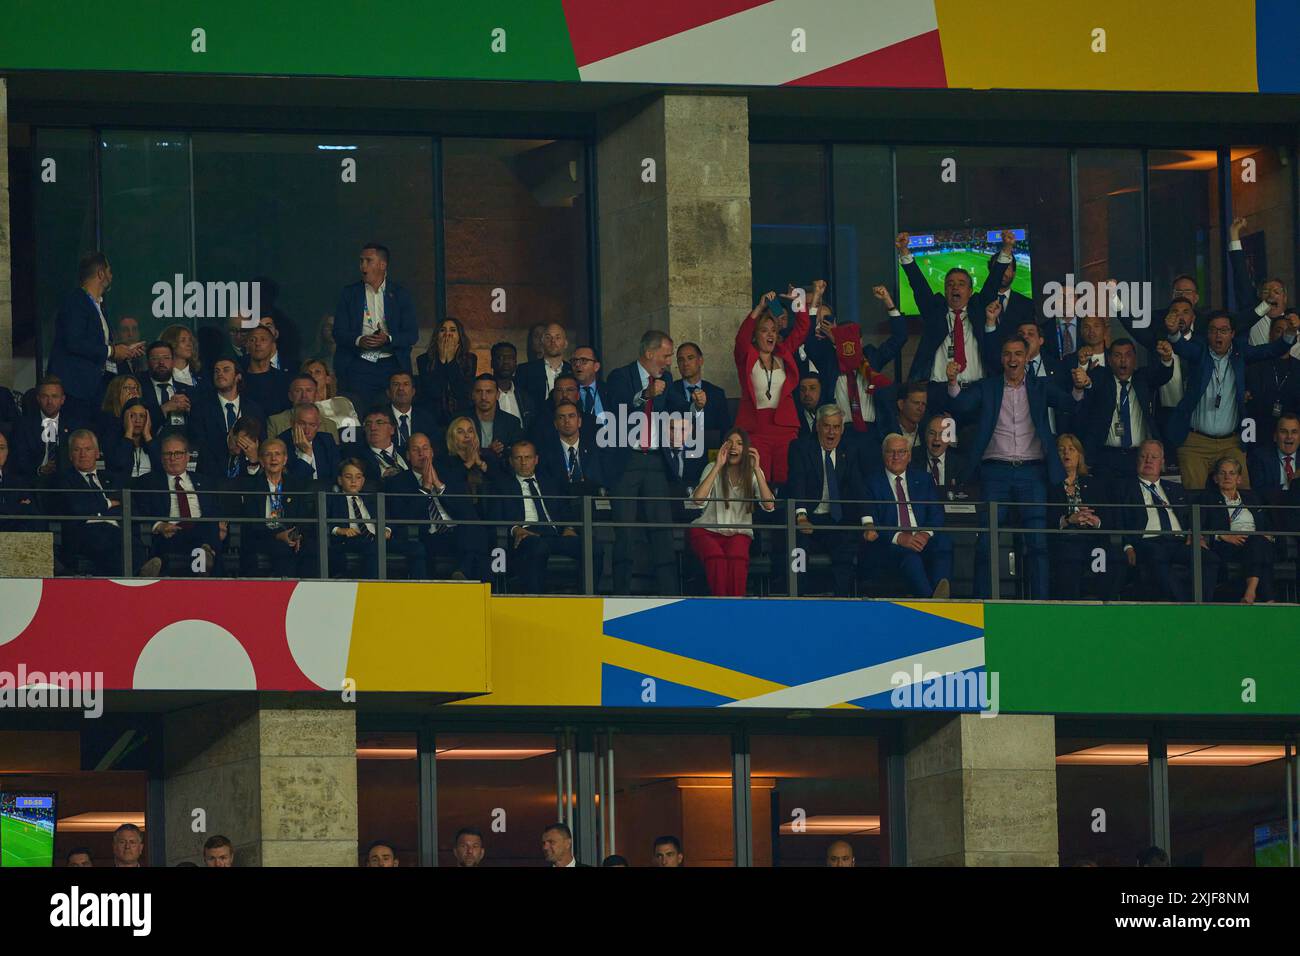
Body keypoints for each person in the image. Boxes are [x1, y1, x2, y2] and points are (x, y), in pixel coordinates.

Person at [944, 335, 1088, 599]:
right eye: (1008, 354)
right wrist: (952, 382)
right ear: (1002, 359)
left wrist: (1079, 388)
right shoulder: (987, 387)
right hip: (995, 472)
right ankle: (984, 601)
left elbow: (1069, 404)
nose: (1012, 359)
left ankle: (1040, 603)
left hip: (1032, 472)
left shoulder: (1040, 386)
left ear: (1026, 358)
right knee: (987, 541)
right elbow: (960, 406)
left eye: (1018, 354)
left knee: (1037, 543)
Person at [1166, 309, 1295, 491]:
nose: (1218, 335)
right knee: (1195, 500)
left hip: (1230, 442)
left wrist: (1290, 333)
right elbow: (1182, 347)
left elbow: (1272, 350)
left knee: (1244, 493)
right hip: (1195, 442)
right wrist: (1173, 332)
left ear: (1233, 334)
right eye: (1213, 330)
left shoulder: (1240, 353)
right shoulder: (1200, 352)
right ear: (1207, 334)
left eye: (1224, 330)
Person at [896, 230, 1012, 416]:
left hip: (976, 391)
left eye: (961, 284)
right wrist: (904, 251)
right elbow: (919, 286)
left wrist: (1006, 249)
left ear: (970, 291)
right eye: (950, 284)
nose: (955, 287)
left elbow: (993, 282)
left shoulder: (978, 310)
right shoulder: (935, 313)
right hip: (938, 392)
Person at [605, 330, 679, 595]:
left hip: (657, 460)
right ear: (650, 354)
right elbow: (615, 408)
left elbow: (677, 407)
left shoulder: (667, 379)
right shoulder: (619, 376)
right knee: (624, 531)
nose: (670, 361)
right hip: (627, 462)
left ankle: (669, 593)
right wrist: (645, 395)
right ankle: (621, 593)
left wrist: (697, 406)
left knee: (662, 529)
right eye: (666, 355)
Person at [802, 284, 906, 449]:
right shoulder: (829, 360)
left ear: (861, 341)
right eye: (845, 339)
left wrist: (888, 301)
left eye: (855, 340)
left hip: (873, 433)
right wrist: (815, 300)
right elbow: (809, 343)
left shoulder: (871, 358)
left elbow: (900, 337)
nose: (851, 344)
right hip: (841, 434)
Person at [786, 405, 871, 597]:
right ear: (817, 427)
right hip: (807, 517)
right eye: (826, 426)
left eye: (836, 427)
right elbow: (796, 483)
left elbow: (859, 487)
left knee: (846, 548)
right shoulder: (800, 447)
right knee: (798, 551)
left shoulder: (849, 450)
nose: (831, 432)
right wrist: (800, 516)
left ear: (842, 429)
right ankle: (797, 598)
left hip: (835, 519)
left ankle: (841, 601)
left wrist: (868, 522)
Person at [48, 252, 143, 422]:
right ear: (101, 274)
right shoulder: (76, 302)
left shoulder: (98, 306)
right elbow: (74, 342)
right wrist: (112, 351)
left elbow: (97, 346)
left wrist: (123, 351)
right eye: (110, 271)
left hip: (94, 389)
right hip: (76, 390)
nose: (111, 276)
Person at [489, 439, 593, 594]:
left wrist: (569, 528)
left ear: (536, 460)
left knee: (593, 548)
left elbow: (565, 508)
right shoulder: (502, 486)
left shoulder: (550, 482)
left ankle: (586, 597)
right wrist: (515, 529)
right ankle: (537, 600)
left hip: (555, 535)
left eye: (528, 457)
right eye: (518, 458)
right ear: (511, 461)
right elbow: (495, 515)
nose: (524, 462)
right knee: (538, 547)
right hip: (526, 536)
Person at [735, 286, 814, 485]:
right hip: (756, 427)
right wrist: (760, 308)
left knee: (785, 478)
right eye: (764, 330)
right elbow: (741, 339)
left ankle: (785, 516)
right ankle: (762, 516)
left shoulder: (783, 353)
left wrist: (797, 302)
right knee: (758, 479)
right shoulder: (747, 356)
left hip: (784, 427)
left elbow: (802, 329)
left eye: (773, 330)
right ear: (756, 336)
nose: (770, 334)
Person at [1118, 439, 1213, 603]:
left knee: (1209, 558)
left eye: (1154, 457)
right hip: (1148, 542)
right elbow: (1119, 518)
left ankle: (1204, 603)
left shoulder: (1175, 488)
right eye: (1144, 456)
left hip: (1178, 541)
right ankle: (1184, 606)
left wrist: (1195, 533)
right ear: (1137, 460)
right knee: (1157, 555)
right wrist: (1127, 546)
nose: (1148, 460)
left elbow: (1190, 515)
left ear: (1162, 463)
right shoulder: (1125, 488)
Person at [385, 432, 487, 582]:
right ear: (407, 455)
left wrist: (440, 486)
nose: (421, 453)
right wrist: (425, 489)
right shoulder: (398, 482)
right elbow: (403, 516)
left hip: (455, 533)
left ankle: (462, 574)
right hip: (425, 535)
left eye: (425, 448)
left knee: (477, 530)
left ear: (432, 452)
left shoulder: (449, 475)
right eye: (415, 449)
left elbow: (466, 511)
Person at [686, 428, 775, 596]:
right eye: (730, 443)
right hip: (706, 530)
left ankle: (735, 606)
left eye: (740, 443)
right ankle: (721, 606)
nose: (734, 447)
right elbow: (698, 500)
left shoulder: (753, 472)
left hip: (738, 531)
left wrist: (757, 469)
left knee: (736, 558)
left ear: (746, 449)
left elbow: (769, 505)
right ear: (723, 447)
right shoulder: (712, 467)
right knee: (717, 559)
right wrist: (718, 465)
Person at [862, 433, 952, 598]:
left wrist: (925, 534)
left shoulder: (924, 479)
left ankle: (940, 593)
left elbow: (937, 514)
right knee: (911, 558)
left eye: (902, 452)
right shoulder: (871, 483)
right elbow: (871, 523)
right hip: (891, 545)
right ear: (883, 455)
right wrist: (900, 538)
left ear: (909, 456)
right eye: (891, 452)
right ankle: (934, 604)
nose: (896, 457)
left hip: (921, 538)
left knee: (943, 543)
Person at [1078, 337, 1171, 487]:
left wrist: (1166, 359)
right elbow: (1086, 383)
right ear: (1109, 359)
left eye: (1128, 355)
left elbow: (1163, 374)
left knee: (1136, 502)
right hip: (1106, 456)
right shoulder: (1101, 377)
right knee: (1108, 503)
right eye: (1117, 355)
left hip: (1138, 455)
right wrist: (1082, 365)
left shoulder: (1143, 378)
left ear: (1135, 359)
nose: (1123, 360)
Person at [334, 243, 418, 404]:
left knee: (388, 413)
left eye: (368, 261)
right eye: (361, 261)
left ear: (382, 265)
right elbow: (338, 332)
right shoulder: (349, 294)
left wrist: (388, 339)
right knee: (356, 411)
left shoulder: (400, 294)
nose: (362, 266)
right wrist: (360, 340)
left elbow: (412, 334)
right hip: (359, 363)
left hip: (391, 364)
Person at [58, 430, 134, 576]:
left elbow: (128, 505)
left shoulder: (112, 479)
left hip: (117, 531)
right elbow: (77, 507)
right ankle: (136, 575)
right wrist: (108, 503)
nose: (83, 454)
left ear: (97, 453)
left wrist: (100, 506)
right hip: (84, 532)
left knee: (135, 543)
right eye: (77, 450)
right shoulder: (64, 480)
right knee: (111, 538)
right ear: (70, 456)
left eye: (88, 449)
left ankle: (135, 575)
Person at [1047, 434, 1112, 601]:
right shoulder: (1050, 485)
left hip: (1092, 539)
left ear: (1079, 455)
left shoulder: (1094, 483)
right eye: (1061, 450)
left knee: (1107, 557)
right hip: (1064, 540)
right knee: (1070, 557)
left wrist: (1095, 521)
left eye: (1071, 449)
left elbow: (1108, 518)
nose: (1066, 453)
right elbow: (1047, 518)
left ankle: (1101, 606)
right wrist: (1069, 519)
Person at [238, 438, 315, 577]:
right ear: (261, 461)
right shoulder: (252, 487)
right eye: (268, 454)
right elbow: (251, 525)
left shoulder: (295, 486)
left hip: (290, 536)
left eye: (278, 454)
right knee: (282, 548)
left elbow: (303, 517)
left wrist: (297, 535)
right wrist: (278, 535)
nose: (273, 458)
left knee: (310, 549)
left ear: (285, 459)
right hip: (261, 538)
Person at [1200, 456, 1273, 603]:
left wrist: (1269, 535)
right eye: (1222, 473)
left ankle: (1250, 592)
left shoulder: (1252, 498)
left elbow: (1266, 523)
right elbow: (1199, 526)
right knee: (1260, 548)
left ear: (1239, 479)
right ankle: (1267, 599)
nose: (1227, 477)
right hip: (1229, 545)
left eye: (1232, 473)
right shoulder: (1207, 499)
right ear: (1215, 478)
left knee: (1259, 543)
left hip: (1256, 542)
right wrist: (1222, 536)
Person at [192, 358, 265, 477]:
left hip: (247, 476)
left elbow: (261, 442)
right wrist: (228, 444)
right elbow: (198, 442)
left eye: (226, 370)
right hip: (212, 477)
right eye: (216, 371)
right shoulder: (201, 408)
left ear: (238, 377)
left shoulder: (254, 409)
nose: (220, 374)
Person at [1228, 217, 1290, 345]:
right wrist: (1234, 235)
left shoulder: (1294, 321)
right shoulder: (1252, 316)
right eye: (1266, 291)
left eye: (1277, 292)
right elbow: (1241, 275)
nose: (1271, 295)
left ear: (1285, 298)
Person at [326, 459, 391, 580]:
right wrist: (339, 530)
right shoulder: (332, 500)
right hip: (350, 540)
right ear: (340, 480)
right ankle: (372, 587)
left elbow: (389, 518)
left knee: (416, 548)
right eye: (348, 477)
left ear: (363, 481)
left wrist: (387, 529)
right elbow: (319, 523)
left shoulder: (373, 498)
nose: (354, 481)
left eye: (358, 477)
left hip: (379, 538)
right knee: (372, 546)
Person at [11, 376, 79, 484]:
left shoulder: (74, 425)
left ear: (62, 400)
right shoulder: (23, 426)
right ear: (38, 399)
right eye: (45, 396)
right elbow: (19, 460)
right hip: (34, 481)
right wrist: (40, 470)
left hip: (68, 483)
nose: (50, 402)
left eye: (54, 396)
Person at [537, 400, 607, 498]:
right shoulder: (546, 453)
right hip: (561, 503)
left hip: (592, 501)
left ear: (579, 422)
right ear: (555, 424)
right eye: (561, 417)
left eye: (571, 416)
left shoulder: (596, 449)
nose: (567, 421)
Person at [666, 342, 732, 442]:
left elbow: (725, 431)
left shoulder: (717, 394)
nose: (685, 363)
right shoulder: (669, 390)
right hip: (678, 451)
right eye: (681, 360)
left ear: (700, 361)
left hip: (708, 451)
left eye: (690, 358)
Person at [417, 317, 477, 423]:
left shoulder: (470, 360)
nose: (447, 334)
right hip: (432, 418)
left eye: (453, 330)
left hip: (461, 416)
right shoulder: (423, 360)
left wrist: (450, 361)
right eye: (442, 330)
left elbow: (461, 392)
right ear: (437, 336)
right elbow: (434, 392)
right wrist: (441, 359)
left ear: (460, 336)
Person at [1244, 313, 1300, 428]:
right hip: (1260, 428)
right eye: (1279, 331)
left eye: (1288, 331)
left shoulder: (1298, 367)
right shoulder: (1256, 365)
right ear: (1270, 334)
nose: (1284, 335)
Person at [139, 340, 195, 436]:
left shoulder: (188, 390)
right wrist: (164, 409)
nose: (161, 362)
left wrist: (191, 413)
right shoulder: (139, 389)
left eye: (166, 358)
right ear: (148, 362)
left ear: (173, 361)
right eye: (155, 358)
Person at [515, 322, 571, 412]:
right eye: (548, 337)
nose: (553, 341)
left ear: (565, 343)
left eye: (558, 337)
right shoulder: (525, 371)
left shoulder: (572, 370)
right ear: (542, 342)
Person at [266, 375, 341, 442]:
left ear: (316, 395)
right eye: (298, 391)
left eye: (309, 391)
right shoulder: (275, 422)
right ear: (290, 396)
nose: (304, 395)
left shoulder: (329, 425)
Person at [345, 408, 411, 484]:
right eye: (368, 424)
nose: (373, 428)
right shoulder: (357, 457)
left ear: (392, 429)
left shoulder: (406, 453)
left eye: (379, 423)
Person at [104, 398, 160, 485]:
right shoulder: (112, 441)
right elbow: (119, 464)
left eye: (142, 416)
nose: (137, 421)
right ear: (125, 418)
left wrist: (147, 435)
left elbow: (162, 466)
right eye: (132, 416)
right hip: (124, 493)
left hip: (151, 492)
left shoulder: (155, 442)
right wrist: (129, 432)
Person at [471, 373, 523, 466]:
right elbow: (455, 449)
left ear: (498, 395)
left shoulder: (511, 422)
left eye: (489, 392)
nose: (483, 397)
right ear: (473, 394)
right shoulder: (461, 419)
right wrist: (487, 451)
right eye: (479, 391)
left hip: (501, 474)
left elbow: (517, 454)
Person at [240, 327, 293, 416]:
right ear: (247, 346)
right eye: (252, 340)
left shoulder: (284, 380)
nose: (257, 343)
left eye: (263, 339)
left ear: (273, 346)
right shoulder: (238, 379)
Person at [283, 403, 340, 483]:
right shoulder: (282, 443)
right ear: (292, 423)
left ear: (318, 425)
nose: (307, 430)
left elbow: (335, 476)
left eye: (312, 425)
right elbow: (293, 483)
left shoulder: (326, 441)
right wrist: (307, 453)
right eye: (302, 424)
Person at [915, 413, 968, 498]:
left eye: (942, 434)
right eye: (932, 433)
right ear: (925, 435)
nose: (936, 438)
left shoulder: (960, 464)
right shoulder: (912, 459)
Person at [384, 371, 436, 454]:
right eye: (396, 384)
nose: (401, 388)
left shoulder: (426, 418)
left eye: (406, 384)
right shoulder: (381, 417)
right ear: (388, 393)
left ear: (413, 392)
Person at [301, 358, 359, 430]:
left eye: (317, 372)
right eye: (309, 373)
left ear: (328, 379)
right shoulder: (304, 409)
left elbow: (354, 429)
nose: (312, 376)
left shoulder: (343, 402)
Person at [489, 341, 532, 428]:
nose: (506, 362)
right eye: (500, 358)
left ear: (516, 363)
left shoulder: (525, 397)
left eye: (510, 358)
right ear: (492, 363)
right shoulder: (484, 394)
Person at [0, 433, 37, 532]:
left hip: (14, 541)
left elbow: (31, 514)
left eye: (1, 448)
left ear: (7, 453)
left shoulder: (19, 483)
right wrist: (17, 508)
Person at [95, 373, 144, 446]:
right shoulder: (106, 418)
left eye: (135, 388)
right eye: (128, 388)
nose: (134, 392)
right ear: (116, 392)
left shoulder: (143, 417)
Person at [570, 345, 609, 423]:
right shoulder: (565, 392)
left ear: (596, 367)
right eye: (574, 361)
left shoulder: (609, 390)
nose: (577, 365)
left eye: (584, 361)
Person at [159, 324, 204, 390]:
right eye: (183, 340)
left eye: (190, 340)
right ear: (171, 343)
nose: (189, 344)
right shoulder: (160, 376)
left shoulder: (202, 377)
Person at [793, 376, 822, 440]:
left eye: (812, 388)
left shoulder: (830, 416)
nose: (806, 393)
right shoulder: (793, 418)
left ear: (821, 391)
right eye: (802, 389)